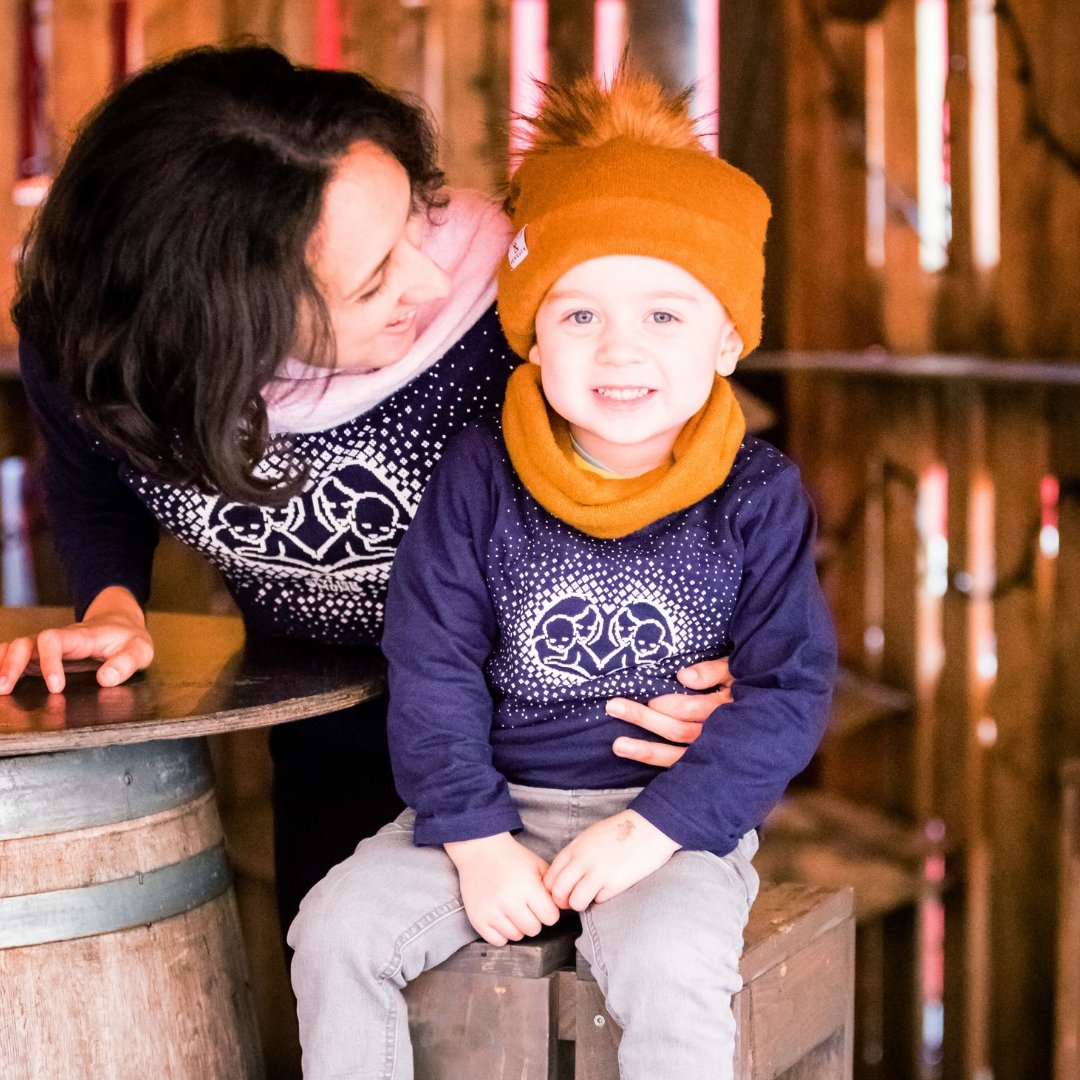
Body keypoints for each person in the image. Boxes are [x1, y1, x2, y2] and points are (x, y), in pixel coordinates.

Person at [1, 44, 733, 937]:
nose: (431, 278)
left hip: (569, 757)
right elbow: (94, 473)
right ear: (225, 323)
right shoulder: (96, 348)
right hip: (332, 732)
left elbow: (703, 481)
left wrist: (732, 657)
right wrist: (114, 605)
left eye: (418, 216)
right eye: (375, 278)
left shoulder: (520, 313)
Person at [287, 73, 837, 1079]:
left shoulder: (756, 496)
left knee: (669, 970)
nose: (620, 349)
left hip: (666, 824)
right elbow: (432, 658)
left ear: (727, 339)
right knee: (334, 931)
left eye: (665, 316)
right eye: (579, 315)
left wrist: (658, 828)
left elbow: (788, 690)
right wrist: (473, 833)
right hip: (489, 802)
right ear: (531, 335)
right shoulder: (481, 473)